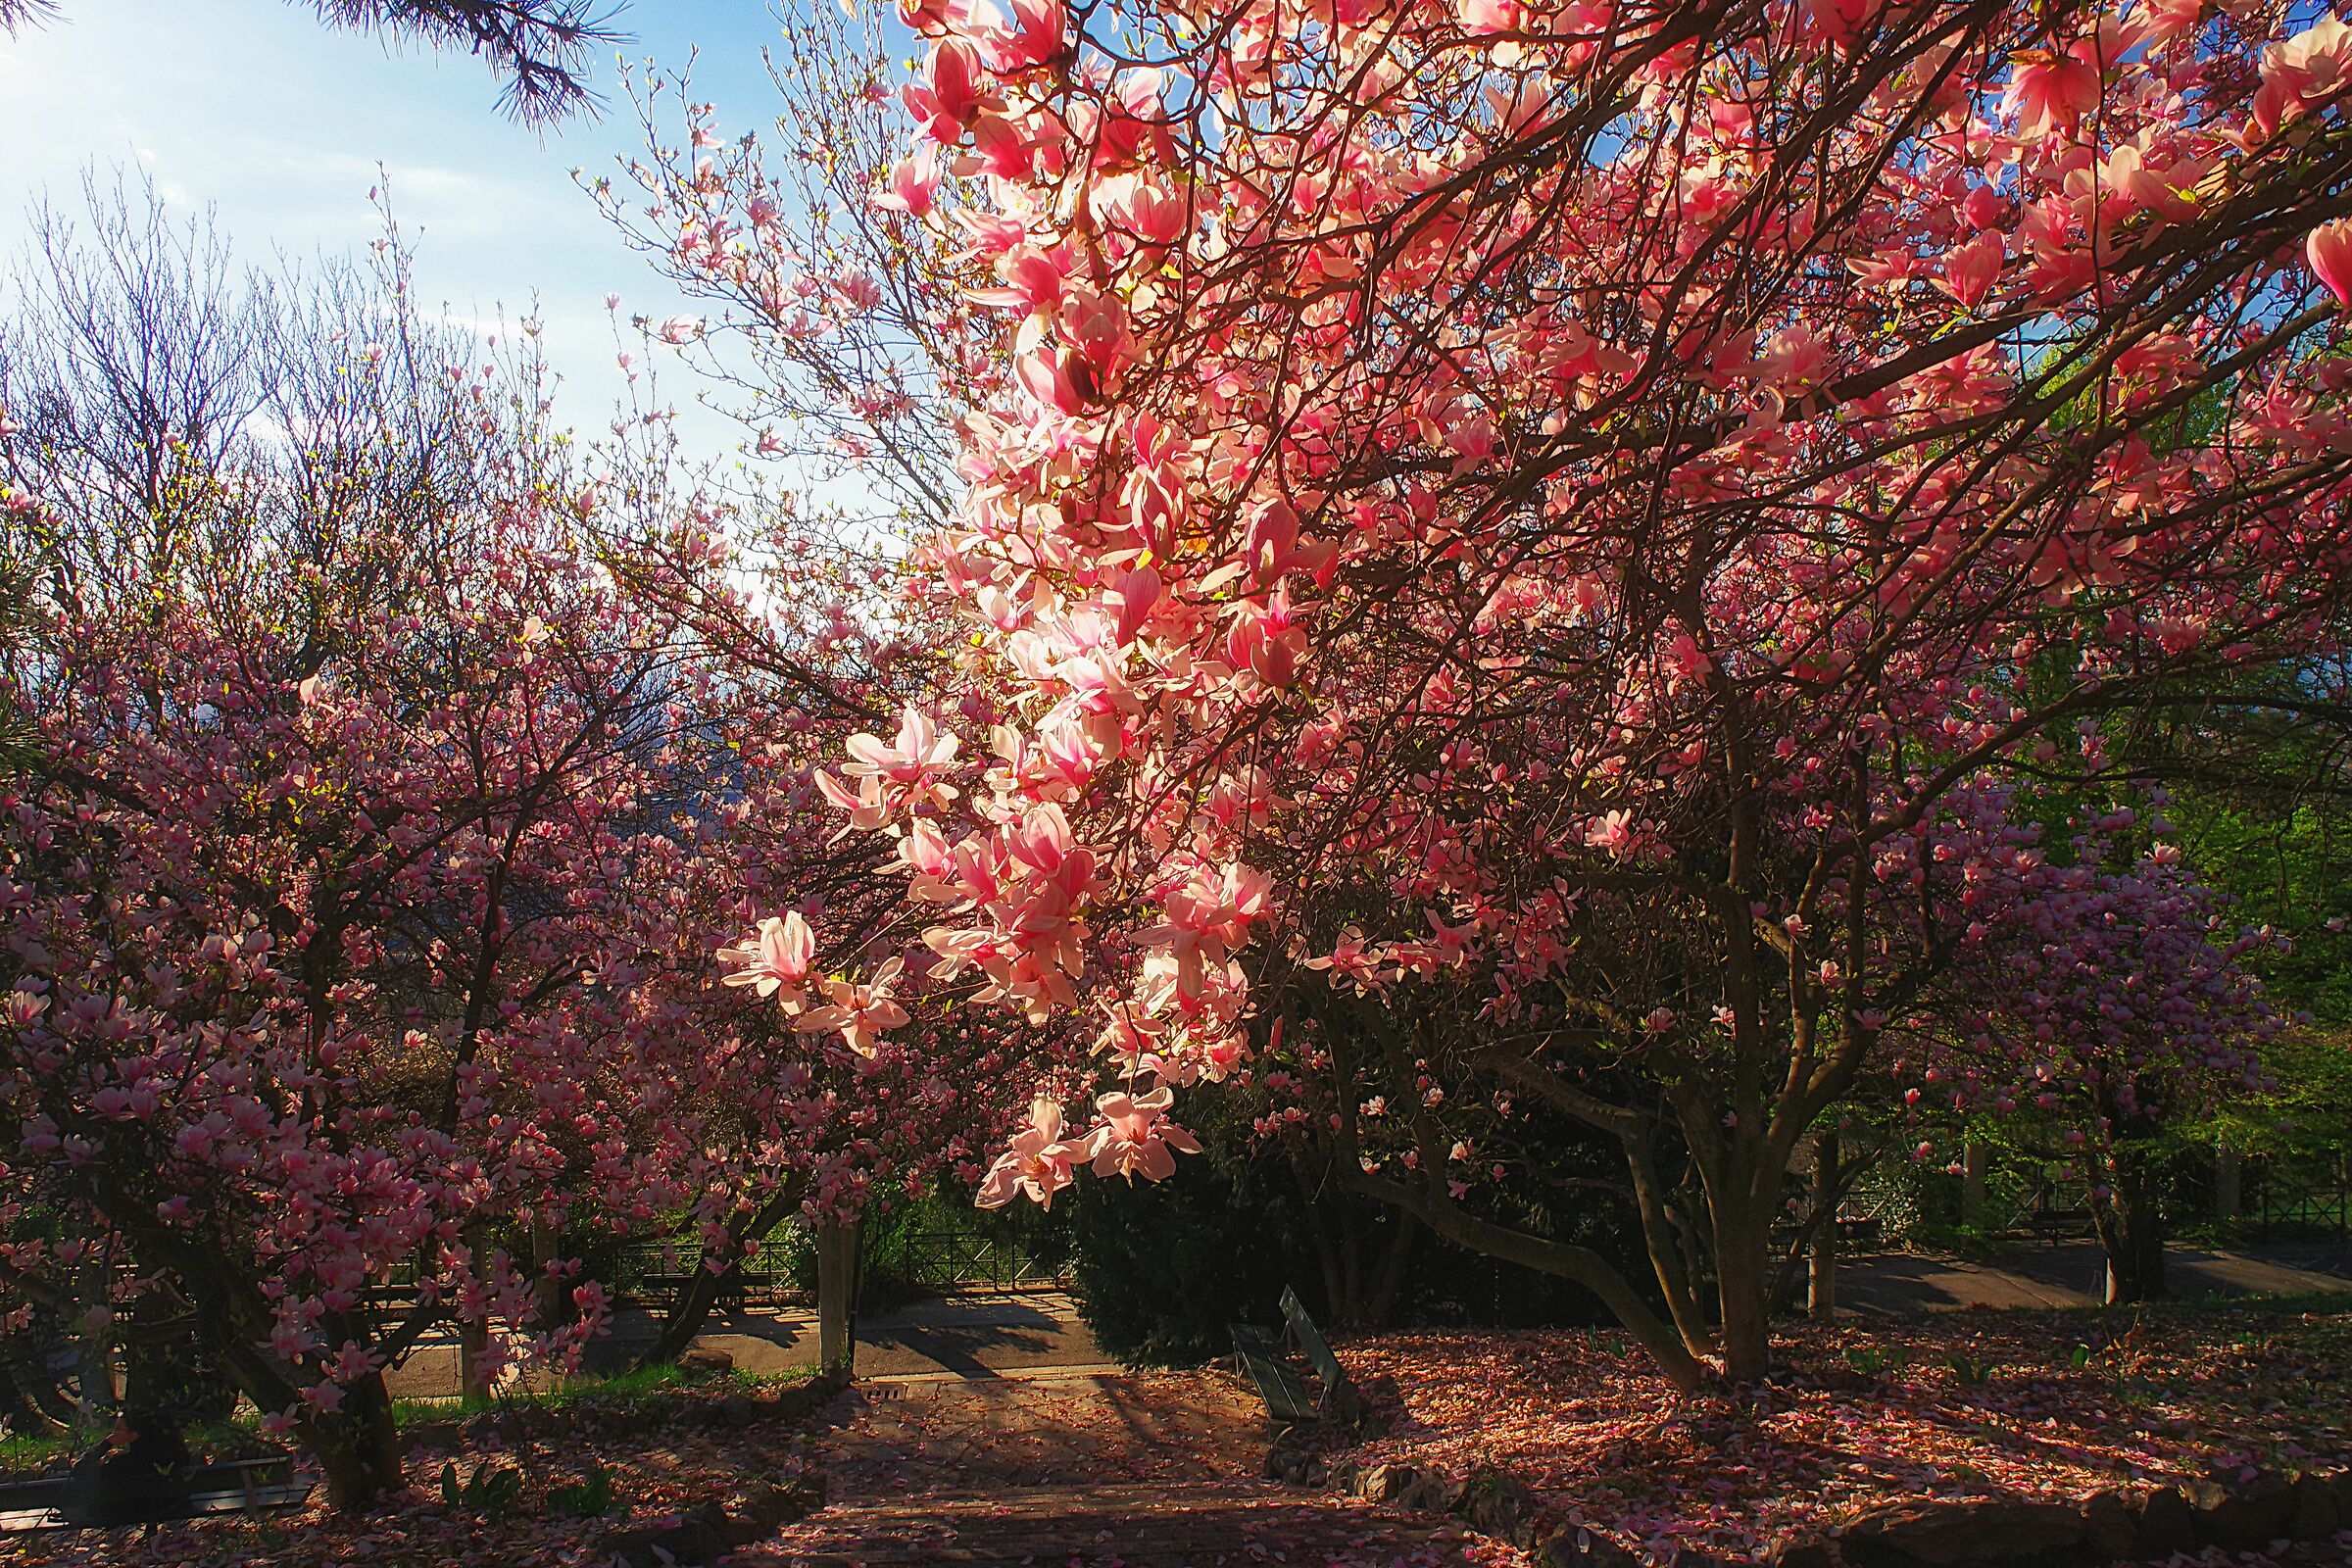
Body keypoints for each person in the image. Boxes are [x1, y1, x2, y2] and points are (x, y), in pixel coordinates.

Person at [60, 1409, 193, 1527]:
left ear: (134, 1434)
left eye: (118, 1429)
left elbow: (79, 1471)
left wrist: (106, 1444)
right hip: (169, 1507)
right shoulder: (176, 1456)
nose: (113, 1433)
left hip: (124, 1514)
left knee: (63, 1487)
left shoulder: (125, 1463)